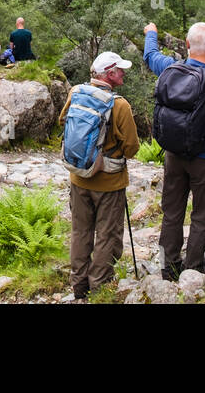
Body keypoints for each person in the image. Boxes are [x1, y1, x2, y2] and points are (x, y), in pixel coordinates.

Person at [143, 21, 205, 280]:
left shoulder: (168, 69)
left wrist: (151, 33)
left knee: (171, 212)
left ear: (186, 44)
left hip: (174, 154)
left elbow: (150, 55)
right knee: (202, 215)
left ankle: (168, 265)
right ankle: (194, 267)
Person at [58, 51, 140, 300]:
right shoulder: (120, 105)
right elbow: (132, 148)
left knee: (81, 231)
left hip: (79, 178)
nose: (124, 73)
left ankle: (79, 286)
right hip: (110, 184)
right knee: (107, 234)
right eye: (121, 70)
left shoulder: (76, 92)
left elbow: (64, 120)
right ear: (110, 74)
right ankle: (100, 284)